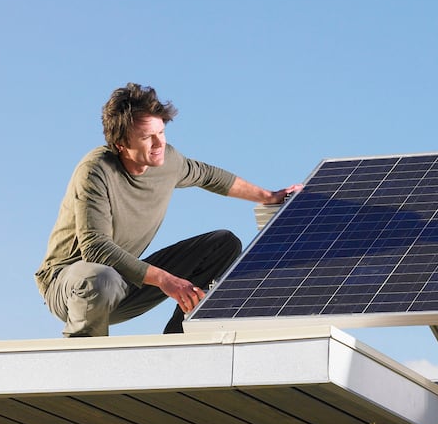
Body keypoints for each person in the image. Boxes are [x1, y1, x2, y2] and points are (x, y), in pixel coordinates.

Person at [35, 82, 301, 336]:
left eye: (161, 132)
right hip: (70, 286)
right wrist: (166, 280)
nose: (159, 144)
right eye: (146, 137)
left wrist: (268, 196)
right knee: (101, 277)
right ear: (121, 145)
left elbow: (209, 176)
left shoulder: (167, 161)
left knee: (224, 244)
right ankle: (82, 363)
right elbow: (96, 248)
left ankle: (179, 341)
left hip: (123, 282)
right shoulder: (95, 171)